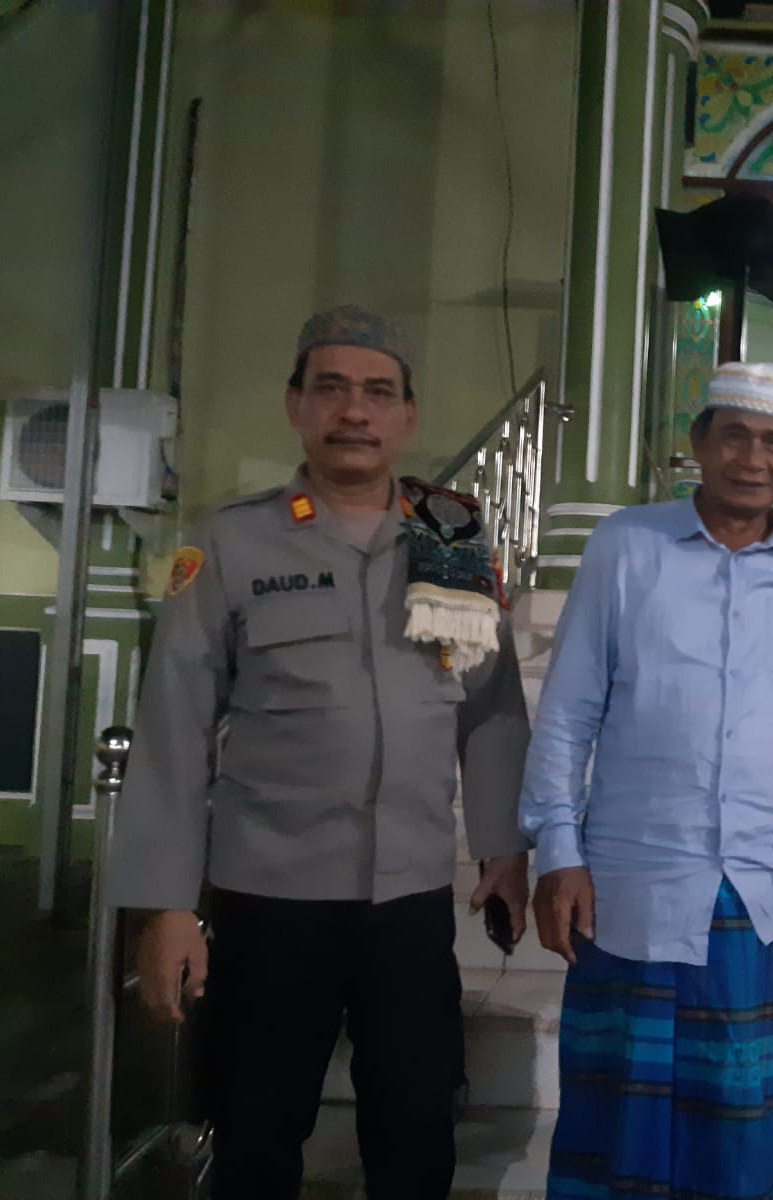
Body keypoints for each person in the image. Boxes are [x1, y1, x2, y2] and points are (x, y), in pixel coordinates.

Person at [108, 305, 532, 1200]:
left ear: (408, 415)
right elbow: (175, 725)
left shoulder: (451, 535)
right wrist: (165, 907)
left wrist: (502, 848)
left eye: (378, 392)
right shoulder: (233, 541)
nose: (355, 411)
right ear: (295, 404)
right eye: (331, 388)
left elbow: (492, 706)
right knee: (256, 1135)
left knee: (417, 1132)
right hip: (271, 897)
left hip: (409, 900)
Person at [520, 362, 773, 1200]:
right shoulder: (626, 545)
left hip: (750, 890)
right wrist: (558, 851)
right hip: (626, 883)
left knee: (731, 1123)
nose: (753, 459)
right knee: (614, 1115)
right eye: (734, 436)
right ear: (698, 444)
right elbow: (568, 710)